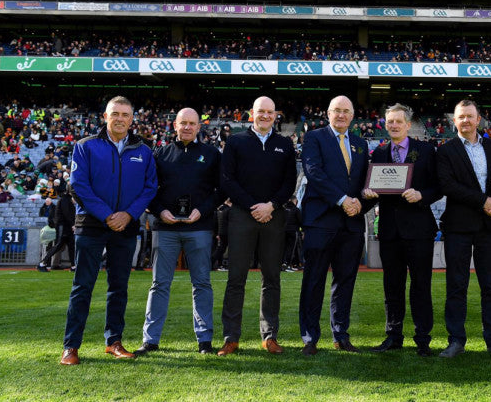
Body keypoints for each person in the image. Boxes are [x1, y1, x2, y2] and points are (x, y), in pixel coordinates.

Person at [60, 96, 157, 365]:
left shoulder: (144, 150)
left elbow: (150, 188)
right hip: (91, 225)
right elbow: (78, 186)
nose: (120, 119)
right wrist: (107, 215)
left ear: (132, 118)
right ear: (105, 116)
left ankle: (114, 341)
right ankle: (71, 346)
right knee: (83, 286)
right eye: (115, 113)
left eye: (125, 114)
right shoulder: (85, 146)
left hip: (126, 226)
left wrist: (128, 214)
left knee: (118, 288)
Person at [135, 108, 221, 356]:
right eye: (183, 123)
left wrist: (202, 211)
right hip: (166, 228)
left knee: (202, 283)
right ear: (175, 125)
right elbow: (148, 189)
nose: (187, 127)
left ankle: (205, 340)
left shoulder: (211, 154)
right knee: (159, 284)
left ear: (199, 127)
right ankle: (150, 340)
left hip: (200, 228)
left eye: (192, 123)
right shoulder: (160, 153)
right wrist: (160, 212)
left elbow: (220, 190)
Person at [218, 96, 296, 356]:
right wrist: (254, 206)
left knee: (272, 278)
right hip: (242, 216)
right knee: (236, 278)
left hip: (273, 217)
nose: (265, 116)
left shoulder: (285, 144)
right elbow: (227, 179)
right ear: (251, 113)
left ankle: (269, 336)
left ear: (276, 115)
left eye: (270, 112)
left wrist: (270, 206)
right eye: (260, 111)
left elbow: (289, 183)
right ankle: (231, 337)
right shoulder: (236, 141)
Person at [435, 100, 491, 359]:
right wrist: (483, 201)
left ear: (479, 119)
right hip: (458, 226)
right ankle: (456, 340)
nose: (466, 121)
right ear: (454, 121)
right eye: (461, 117)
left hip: (489, 226)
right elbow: (448, 185)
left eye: (470, 116)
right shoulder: (445, 151)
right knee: (456, 285)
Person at [362, 103, 441, 357]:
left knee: (421, 285)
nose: (394, 125)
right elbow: (373, 190)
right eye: (389, 122)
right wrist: (367, 193)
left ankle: (423, 339)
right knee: (391, 286)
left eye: (398, 121)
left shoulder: (426, 151)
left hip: (419, 230)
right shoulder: (379, 153)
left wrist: (422, 195)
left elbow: (439, 187)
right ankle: (393, 336)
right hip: (389, 231)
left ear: (408, 124)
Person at [298, 95, 370, 356]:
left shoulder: (361, 144)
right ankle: (309, 337)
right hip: (320, 221)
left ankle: (340, 334)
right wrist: (342, 200)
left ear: (352, 116)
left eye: (346, 111)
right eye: (336, 111)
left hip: (351, 224)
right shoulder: (315, 138)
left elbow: (364, 181)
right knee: (313, 279)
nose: (341, 115)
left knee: (345, 281)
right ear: (328, 114)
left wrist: (361, 201)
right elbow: (314, 173)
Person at [40, 189, 76, 271]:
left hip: (65, 226)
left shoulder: (65, 200)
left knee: (70, 246)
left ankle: (73, 266)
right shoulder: (65, 200)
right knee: (58, 245)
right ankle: (43, 263)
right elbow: (67, 214)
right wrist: (72, 224)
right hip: (63, 226)